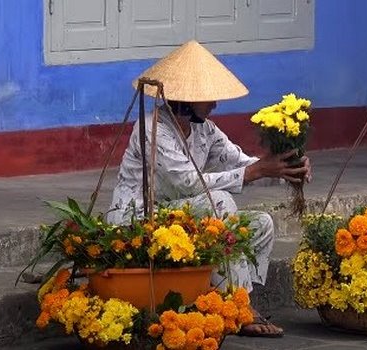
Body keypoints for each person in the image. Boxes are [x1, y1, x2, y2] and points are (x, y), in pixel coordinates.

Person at [106, 41, 307, 338]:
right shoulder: (153, 128)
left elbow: (243, 161)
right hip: (140, 217)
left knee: (262, 224)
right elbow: (187, 182)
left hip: (182, 213)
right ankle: (240, 308)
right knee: (221, 202)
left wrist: (286, 169)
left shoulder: (206, 130)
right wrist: (255, 171)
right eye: (208, 98)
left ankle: (234, 299)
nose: (214, 104)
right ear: (185, 99)